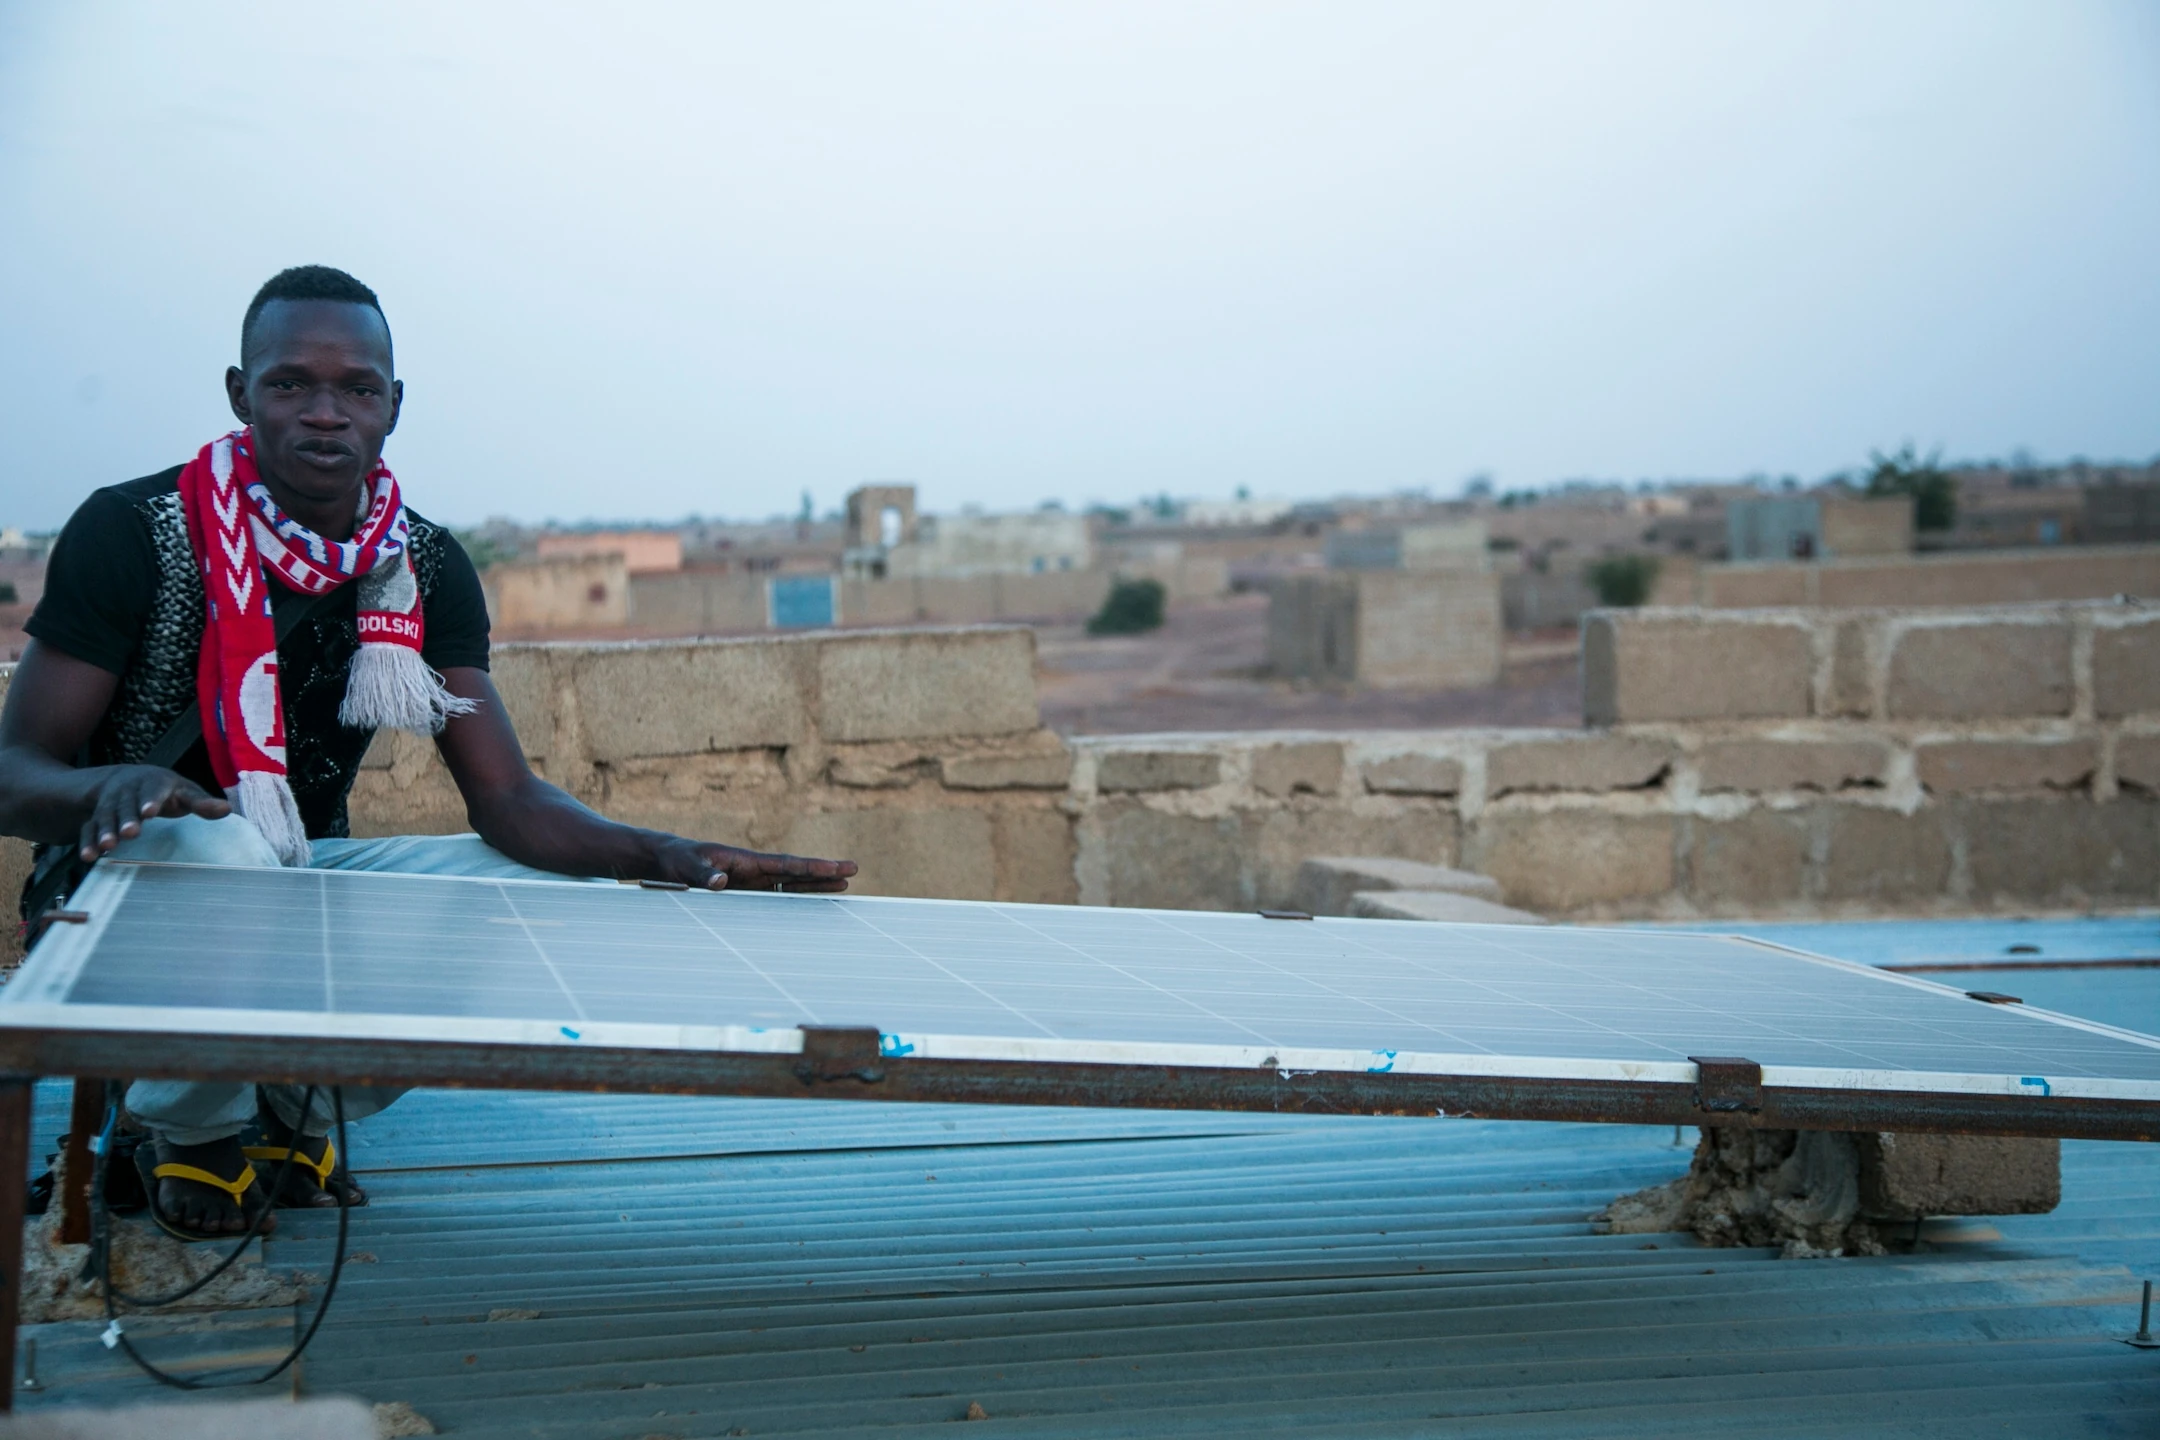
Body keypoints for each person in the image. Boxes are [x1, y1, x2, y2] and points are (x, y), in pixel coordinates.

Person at [0, 266, 857, 1241]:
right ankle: (192, 1129)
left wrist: (661, 853)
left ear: (393, 406)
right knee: (224, 845)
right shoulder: (135, 532)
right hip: (122, 894)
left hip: (295, 881)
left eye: (357, 389)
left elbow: (509, 800)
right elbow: (14, 773)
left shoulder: (426, 562)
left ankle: (298, 1105)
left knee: (529, 886)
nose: (326, 413)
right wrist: (107, 786)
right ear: (241, 394)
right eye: (290, 383)